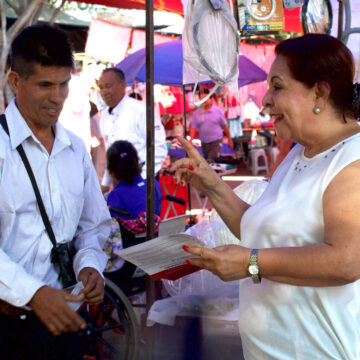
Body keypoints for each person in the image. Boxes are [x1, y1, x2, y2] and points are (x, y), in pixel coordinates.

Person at [172, 34, 360, 359]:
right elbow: (257, 230)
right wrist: (212, 184)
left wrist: (251, 263)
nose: (265, 101)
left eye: (277, 86)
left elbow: (346, 261)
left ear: (320, 91)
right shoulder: (299, 152)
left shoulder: (352, 159)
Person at [0, 24, 112, 359]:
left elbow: (93, 226)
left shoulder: (75, 149)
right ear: (15, 82)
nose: (57, 97)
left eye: (63, 84)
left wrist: (89, 266)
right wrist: (32, 293)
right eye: (45, 85)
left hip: (66, 321)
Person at [104, 140, 162, 294]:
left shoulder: (115, 197)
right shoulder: (154, 185)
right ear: (137, 163)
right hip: (156, 260)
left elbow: (112, 238)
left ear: (110, 172)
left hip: (127, 268)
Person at [98, 68, 168, 193]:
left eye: (108, 86)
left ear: (123, 85)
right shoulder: (104, 117)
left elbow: (158, 148)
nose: (104, 92)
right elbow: (110, 153)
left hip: (144, 183)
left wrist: (142, 180)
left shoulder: (141, 111)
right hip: (119, 185)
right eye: (101, 88)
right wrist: (105, 184)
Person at [189, 89, 233, 163]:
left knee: (211, 161)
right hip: (204, 143)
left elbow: (225, 126)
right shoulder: (197, 113)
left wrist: (229, 139)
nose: (204, 101)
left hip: (216, 141)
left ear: (211, 99)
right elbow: (193, 127)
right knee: (206, 163)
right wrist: (190, 140)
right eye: (202, 99)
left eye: (206, 98)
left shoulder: (218, 111)